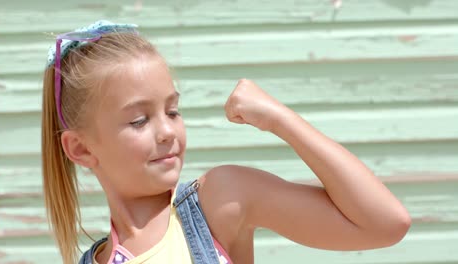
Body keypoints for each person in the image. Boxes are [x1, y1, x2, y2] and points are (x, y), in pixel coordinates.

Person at [41, 20, 411, 264]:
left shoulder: (218, 202)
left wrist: (280, 120)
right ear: (82, 149)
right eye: (139, 120)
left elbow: (385, 223)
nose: (167, 131)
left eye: (172, 111)